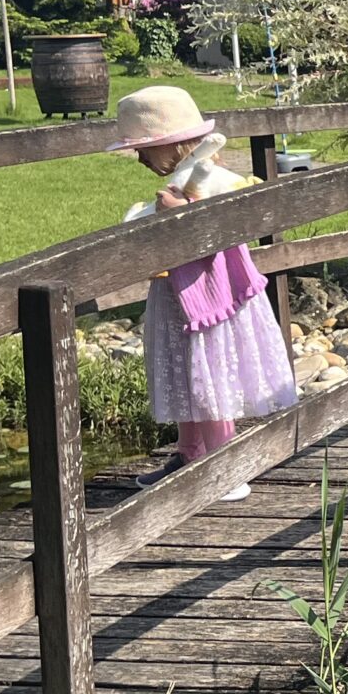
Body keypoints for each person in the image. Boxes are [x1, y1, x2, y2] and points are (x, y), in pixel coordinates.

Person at [107, 85, 297, 501]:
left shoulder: (215, 182)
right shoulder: (180, 183)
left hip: (211, 297)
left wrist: (180, 214)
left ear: (173, 145)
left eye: (144, 149)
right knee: (183, 370)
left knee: (209, 371)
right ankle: (190, 451)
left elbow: (217, 230)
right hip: (177, 293)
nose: (139, 158)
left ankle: (224, 463)